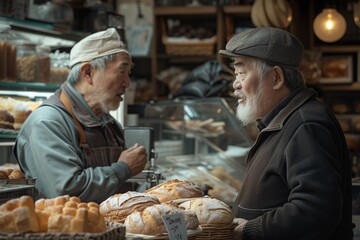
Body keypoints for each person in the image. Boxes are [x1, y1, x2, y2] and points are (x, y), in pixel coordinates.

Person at [219, 27, 353, 239]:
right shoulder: (286, 119)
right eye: (236, 74)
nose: (235, 84)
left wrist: (250, 229)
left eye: (242, 73)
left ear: (276, 78)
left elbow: (316, 211)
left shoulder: (306, 124)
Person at [14, 28, 147, 204]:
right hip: (65, 230)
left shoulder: (109, 125)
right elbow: (64, 192)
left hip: (109, 230)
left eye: (128, 73)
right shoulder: (47, 123)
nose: (127, 83)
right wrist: (123, 169)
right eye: (122, 71)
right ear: (88, 73)